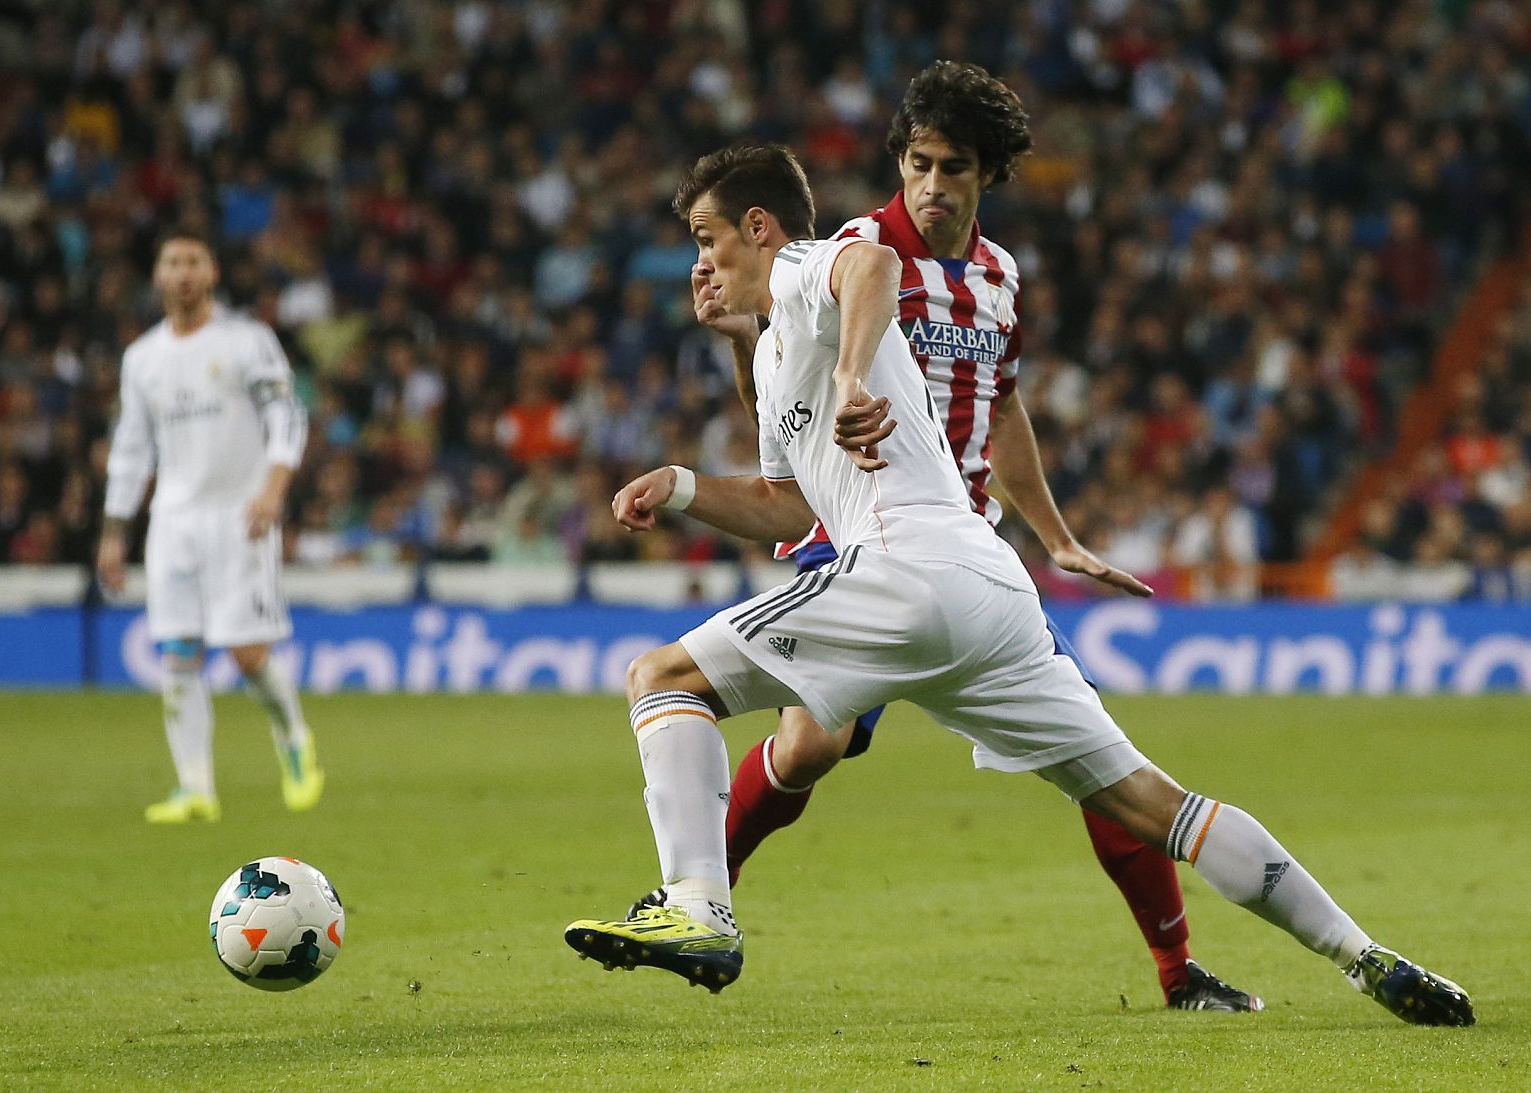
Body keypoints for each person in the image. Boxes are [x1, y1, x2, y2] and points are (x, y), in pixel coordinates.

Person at [563, 143, 1473, 1028]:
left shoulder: (810, 263)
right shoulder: (772, 349)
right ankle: (1362, 953)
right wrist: (679, 484)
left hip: (903, 568)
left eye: (703, 235)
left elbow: (872, 264)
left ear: (757, 226)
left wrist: (849, 378)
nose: (700, 258)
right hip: (989, 592)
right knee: (1155, 803)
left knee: (663, 680)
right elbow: (783, 502)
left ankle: (696, 903)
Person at [631, 61, 1255, 1011]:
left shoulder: (1000, 278)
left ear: (986, 176)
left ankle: (1178, 972)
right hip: (861, 538)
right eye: (917, 164)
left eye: (951, 168)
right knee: (807, 748)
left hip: (970, 552)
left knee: (1101, 765)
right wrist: (743, 343)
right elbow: (785, 423)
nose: (929, 185)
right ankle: (700, 899)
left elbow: (1000, 410)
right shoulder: (851, 250)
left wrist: (1057, 534)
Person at [98, 232, 324, 823]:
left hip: (239, 513)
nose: (183, 273)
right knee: (177, 652)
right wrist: (113, 531)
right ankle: (195, 787)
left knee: (247, 651)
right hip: (173, 520)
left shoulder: (247, 341)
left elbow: (286, 416)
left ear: (213, 272)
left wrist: (273, 489)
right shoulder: (142, 358)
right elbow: (130, 450)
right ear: (157, 276)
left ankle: (294, 739)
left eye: (193, 261)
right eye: (171, 262)